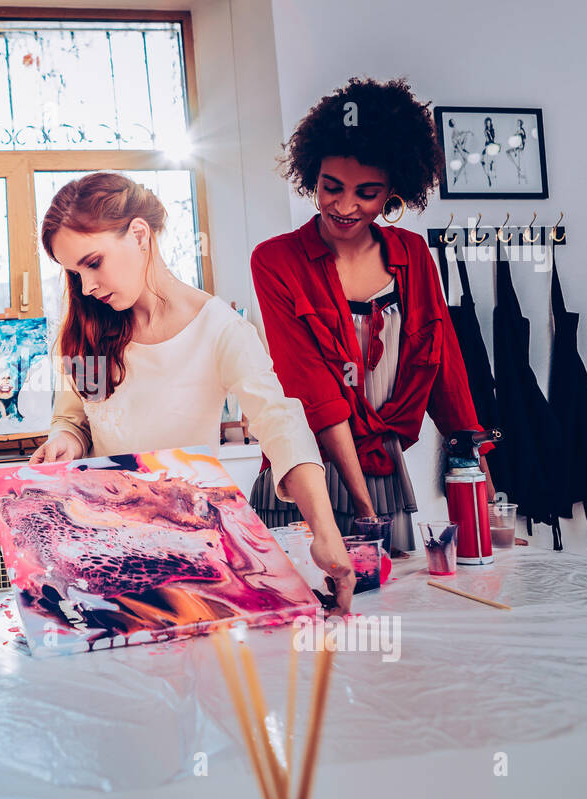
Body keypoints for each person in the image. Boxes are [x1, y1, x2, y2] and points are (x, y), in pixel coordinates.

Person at [31, 172, 356, 612]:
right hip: (102, 548)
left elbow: (281, 425)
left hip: (188, 551)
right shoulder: (85, 328)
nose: (86, 286)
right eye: (74, 272)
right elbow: (73, 419)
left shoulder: (221, 329)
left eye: (93, 263)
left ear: (140, 234)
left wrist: (325, 531)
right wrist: (63, 441)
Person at [248, 76, 492, 554]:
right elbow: (311, 387)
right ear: (311, 175)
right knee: (311, 620)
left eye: (367, 193)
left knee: (396, 619)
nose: (344, 206)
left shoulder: (414, 254)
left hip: (385, 471)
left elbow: (446, 373)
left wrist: (485, 502)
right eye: (331, 187)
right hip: (306, 474)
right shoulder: (275, 261)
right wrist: (363, 509)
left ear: (392, 193)